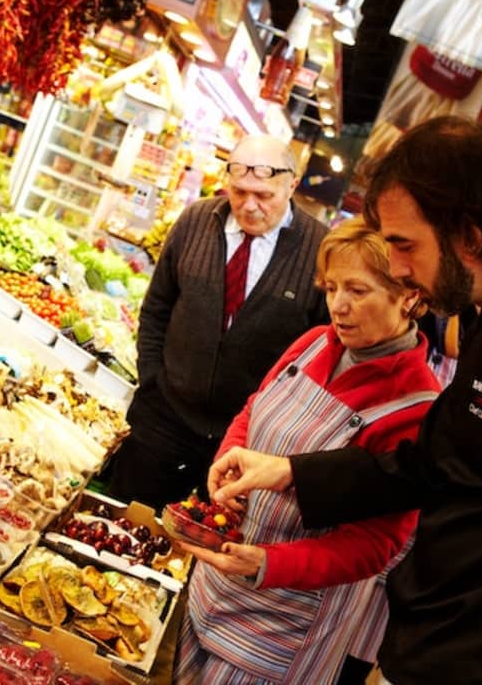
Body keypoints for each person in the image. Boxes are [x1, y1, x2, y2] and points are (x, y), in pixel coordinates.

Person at [208, 116, 482, 685]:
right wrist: (291, 472)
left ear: (469, 235)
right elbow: (430, 462)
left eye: (404, 245)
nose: (397, 268)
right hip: (429, 634)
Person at [174, 216, 440, 685]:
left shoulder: (417, 407)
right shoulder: (313, 344)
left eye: (358, 291)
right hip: (213, 584)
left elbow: (377, 545)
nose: (338, 305)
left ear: (410, 295)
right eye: (331, 286)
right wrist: (228, 456)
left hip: (281, 627)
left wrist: (268, 563)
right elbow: (254, 409)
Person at [107, 135, 330, 511]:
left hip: (245, 443)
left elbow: (319, 353)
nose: (249, 205)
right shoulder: (196, 220)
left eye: (264, 195)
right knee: (122, 517)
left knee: (202, 546)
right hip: (164, 418)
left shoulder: (320, 249)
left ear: (291, 184)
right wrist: (152, 380)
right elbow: (157, 306)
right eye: (239, 192)